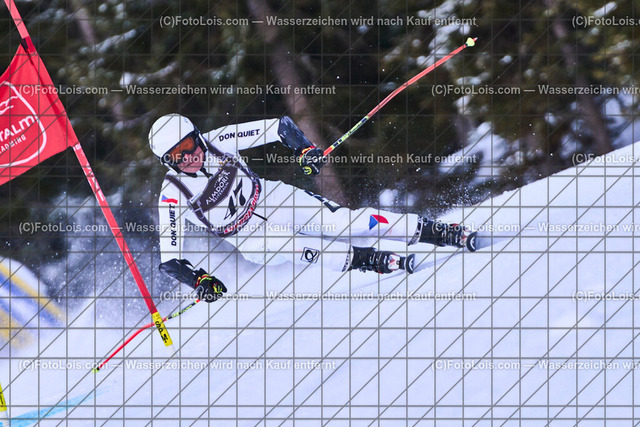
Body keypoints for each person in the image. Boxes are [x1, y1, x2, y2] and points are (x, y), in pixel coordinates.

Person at [149, 114, 476, 303]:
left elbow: (279, 126)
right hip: (249, 236)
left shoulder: (219, 139)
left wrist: (304, 150)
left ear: (197, 137)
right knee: (303, 247)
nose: (187, 158)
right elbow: (170, 260)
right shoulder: (172, 192)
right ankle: (372, 260)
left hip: (271, 198)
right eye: (175, 157)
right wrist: (200, 280)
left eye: (188, 146)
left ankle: (437, 232)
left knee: (345, 223)